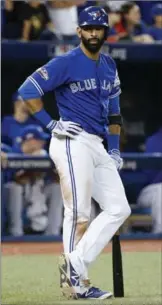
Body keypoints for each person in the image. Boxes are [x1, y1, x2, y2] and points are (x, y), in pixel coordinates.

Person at [18, 6, 131, 299]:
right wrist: (50, 123)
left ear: (106, 32)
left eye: (99, 28)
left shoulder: (109, 65)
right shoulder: (66, 61)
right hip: (72, 139)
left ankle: (74, 265)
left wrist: (115, 150)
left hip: (98, 144)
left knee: (119, 208)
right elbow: (27, 90)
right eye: (88, 28)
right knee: (79, 213)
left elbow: (115, 114)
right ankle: (75, 282)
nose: (93, 33)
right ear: (79, 31)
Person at [137, 126, 162, 234]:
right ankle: (159, 235)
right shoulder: (154, 140)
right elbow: (150, 177)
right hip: (151, 190)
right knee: (160, 191)